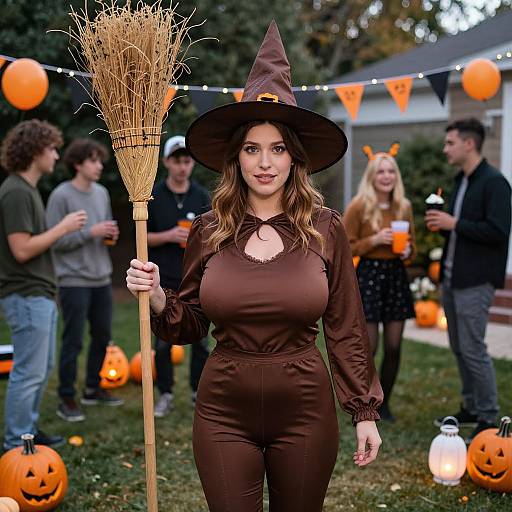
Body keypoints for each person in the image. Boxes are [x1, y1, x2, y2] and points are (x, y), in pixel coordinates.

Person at [126, 21, 382, 512]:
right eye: (252, 148)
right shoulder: (208, 229)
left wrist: (363, 411)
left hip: (306, 411)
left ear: (295, 159)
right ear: (235, 158)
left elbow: (346, 327)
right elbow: (193, 321)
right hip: (223, 411)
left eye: (278, 148)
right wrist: (159, 297)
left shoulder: (325, 228)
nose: (265, 163)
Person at [0, 120, 87, 450]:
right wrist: (62, 228)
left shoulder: (27, 190)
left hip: (39, 294)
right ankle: (16, 443)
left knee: (41, 368)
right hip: (25, 293)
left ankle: (28, 431)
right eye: (51, 148)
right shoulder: (16, 191)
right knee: (28, 372)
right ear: (35, 150)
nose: (56, 154)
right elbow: (21, 249)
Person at [427, 118, 511, 443]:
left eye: (450, 143)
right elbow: (458, 229)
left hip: (476, 280)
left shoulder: (495, 183)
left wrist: (455, 223)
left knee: (473, 348)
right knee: (459, 347)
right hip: (452, 277)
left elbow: (498, 231)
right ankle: (472, 406)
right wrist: (449, 227)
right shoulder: (461, 179)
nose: (445, 148)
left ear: (469, 144)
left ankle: (489, 415)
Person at [46, 138, 124, 423]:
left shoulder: (102, 193)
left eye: (99, 160)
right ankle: (66, 397)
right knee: (74, 340)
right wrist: (90, 232)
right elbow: (55, 242)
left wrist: (108, 236)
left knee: (102, 336)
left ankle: (93, 388)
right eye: (93, 160)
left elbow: (101, 232)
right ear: (78, 164)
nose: (99, 166)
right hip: (72, 280)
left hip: (100, 277)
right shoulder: (60, 196)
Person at [342, 145, 416, 423]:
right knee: (369, 347)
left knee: (394, 346)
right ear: (372, 176)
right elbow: (345, 248)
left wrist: (408, 252)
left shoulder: (404, 207)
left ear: (396, 176)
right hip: (370, 276)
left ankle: (385, 403)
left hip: (395, 275)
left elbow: (413, 249)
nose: (386, 176)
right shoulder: (359, 206)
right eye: (381, 171)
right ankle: (365, 404)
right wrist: (374, 241)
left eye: (391, 172)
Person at [147, 135, 210, 417]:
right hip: (162, 280)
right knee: (162, 343)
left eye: (187, 161)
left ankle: (198, 390)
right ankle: (166, 393)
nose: (182, 166)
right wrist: (168, 235)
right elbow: (141, 237)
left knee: (200, 340)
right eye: (177, 161)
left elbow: (212, 235)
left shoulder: (201, 196)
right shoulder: (153, 195)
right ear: (166, 163)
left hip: (193, 279)